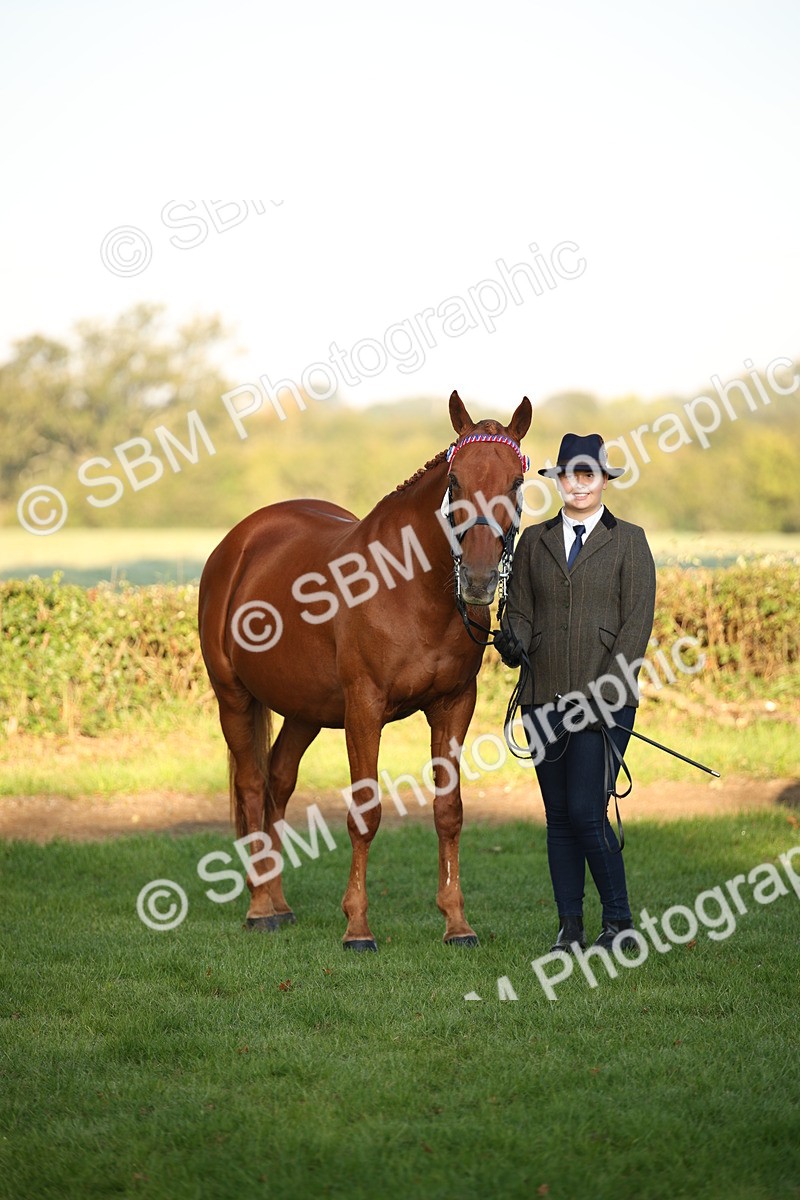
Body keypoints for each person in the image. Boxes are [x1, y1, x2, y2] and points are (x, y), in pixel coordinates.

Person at [495, 433, 656, 953]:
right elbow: (518, 607)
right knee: (559, 817)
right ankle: (570, 930)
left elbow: (636, 626)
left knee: (588, 810)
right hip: (542, 699)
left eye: (588, 474)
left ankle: (619, 922)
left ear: (604, 480)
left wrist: (600, 694)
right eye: (569, 474)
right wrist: (513, 637)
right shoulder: (533, 541)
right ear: (558, 480)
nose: (578, 483)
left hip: (604, 703)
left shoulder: (630, 541)